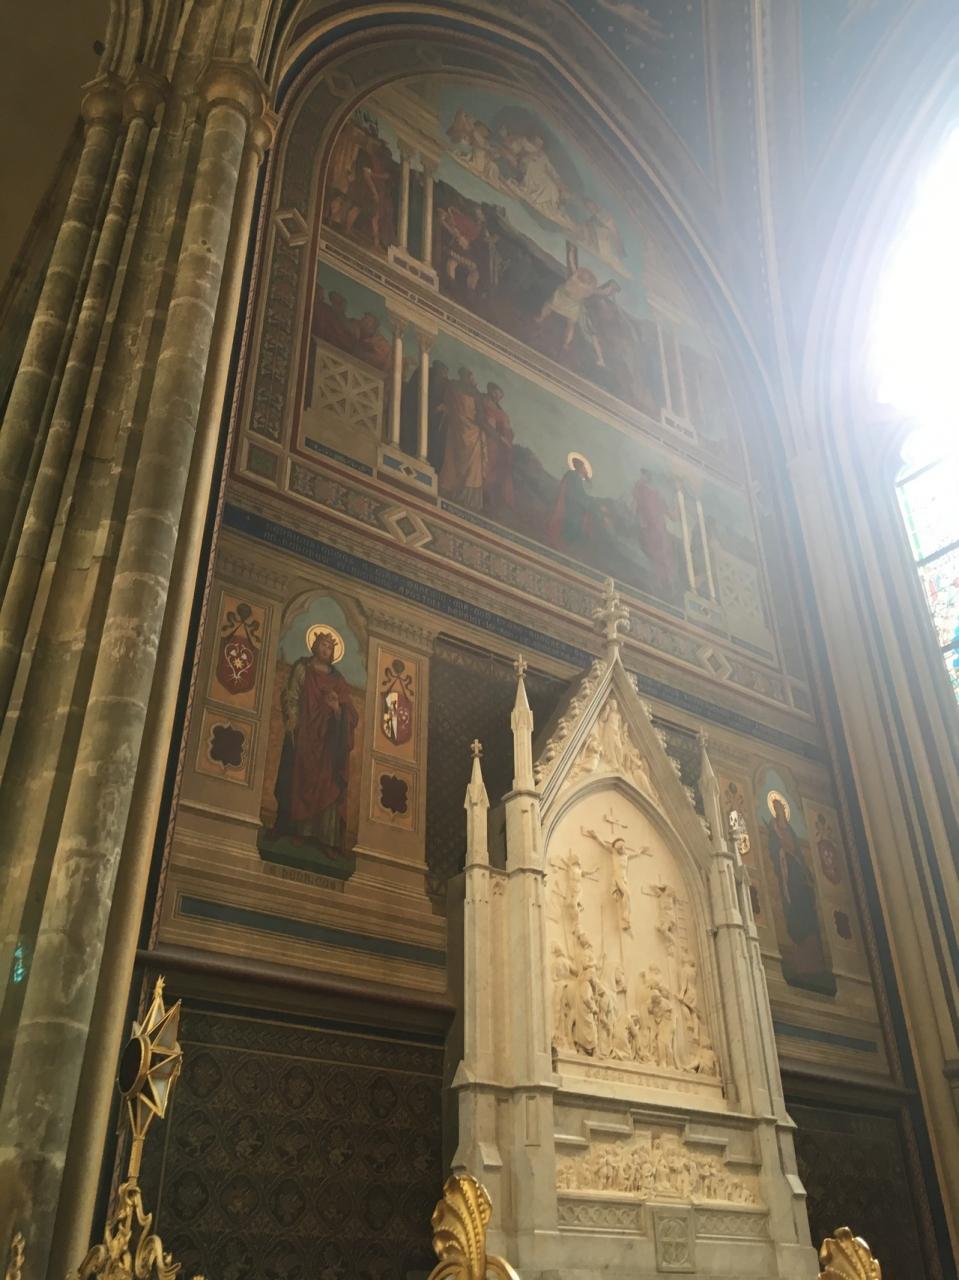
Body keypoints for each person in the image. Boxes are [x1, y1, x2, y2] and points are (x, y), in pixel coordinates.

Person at [271, 630, 359, 858]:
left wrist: (337, 709)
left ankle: (326, 839)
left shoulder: (338, 680)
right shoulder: (302, 669)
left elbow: (350, 713)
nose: (325, 650)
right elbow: (291, 695)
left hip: (328, 743)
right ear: (315, 646)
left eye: (330, 647)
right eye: (322, 645)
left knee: (328, 786)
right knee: (298, 779)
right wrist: (293, 722)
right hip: (303, 735)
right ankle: (298, 831)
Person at [767, 796, 832, 986]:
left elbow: (798, 850)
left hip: (799, 875)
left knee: (809, 919)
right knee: (797, 920)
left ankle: (815, 967)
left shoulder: (790, 830)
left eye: (780, 807)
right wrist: (781, 851)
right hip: (789, 878)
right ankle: (803, 967)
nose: (779, 810)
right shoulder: (773, 830)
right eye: (776, 807)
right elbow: (774, 850)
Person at [438, 368, 486, 510]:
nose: (472, 379)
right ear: (465, 376)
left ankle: (460, 493)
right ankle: (456, 492)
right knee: (458, 461)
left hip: (465, 428)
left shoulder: (470, 391)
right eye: (470, 376)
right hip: (462, 429)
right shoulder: (458, 388)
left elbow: (479, 414)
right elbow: (448, 401)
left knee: (464, 463)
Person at [548, 454, 597, 551]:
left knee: (577, 525)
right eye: (584, 468)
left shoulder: (577, 478)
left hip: (575, 505)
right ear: (580, 468)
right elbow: (575, 493)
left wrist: (588, 501)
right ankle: (560, 542)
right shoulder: (573, 475)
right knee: (574, 523)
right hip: (570, 505)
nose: (586, 470)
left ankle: (563, 544)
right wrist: (587, 501)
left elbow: (580, 494)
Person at [480, 381, 514, 510]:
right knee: (488, 466)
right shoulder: (485, 402)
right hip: (491, 440)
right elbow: (485, 421)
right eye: (497, 393)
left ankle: (493, 497)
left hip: (501, 444)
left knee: (498, 468)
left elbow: (505, 424)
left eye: (500, 395)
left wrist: (508, 435)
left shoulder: (499, 408)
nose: (498, 397)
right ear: (492, 391)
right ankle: (484, 494)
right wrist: (500, 437)